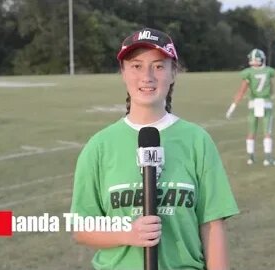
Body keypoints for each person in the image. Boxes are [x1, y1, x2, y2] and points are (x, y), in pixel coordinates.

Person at [70, 27, 239, 270]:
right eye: (136, 66)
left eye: (158, 66)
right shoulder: (99, 146)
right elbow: (81, 228)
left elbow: (212, 225)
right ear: (123, 73)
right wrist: (128, 234)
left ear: (173, 74)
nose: (146, 76)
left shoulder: (197, 141)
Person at [225, 49, 275, 166]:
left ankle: (250, 158)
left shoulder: (248, 73)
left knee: (251, 132)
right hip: (266, 103)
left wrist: (232, 107)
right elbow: (271, 89)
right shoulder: (269, 71)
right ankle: (267, 158)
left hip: (253, 104)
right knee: (267, 132)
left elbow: (241, 91)